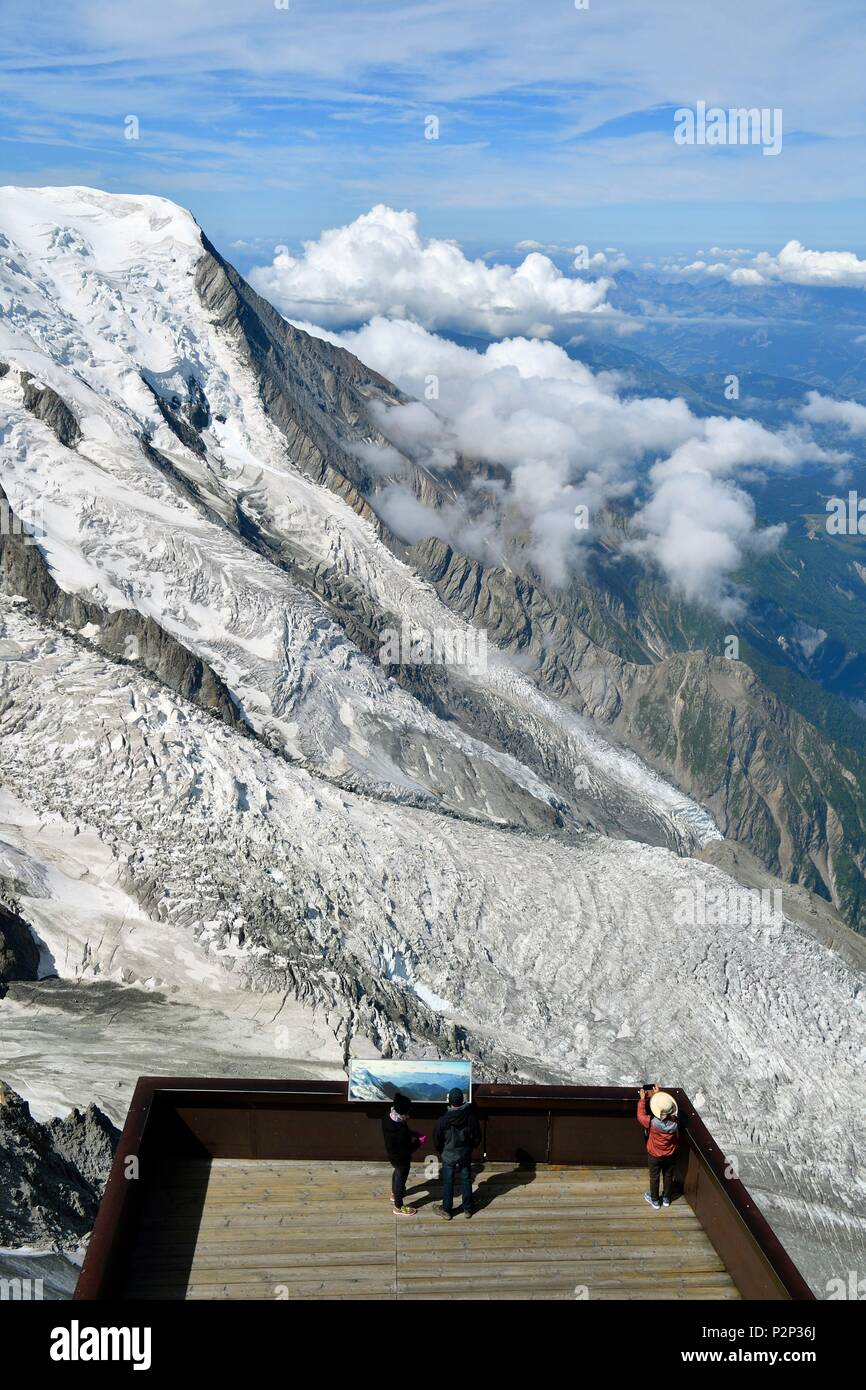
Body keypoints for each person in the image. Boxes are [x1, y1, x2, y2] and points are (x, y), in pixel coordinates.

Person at [433, 1087, 482, 1219]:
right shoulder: (470, 1117)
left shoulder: (443, 1120)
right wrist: (471, 1147)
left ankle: (447, 1210)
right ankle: (468, 1209)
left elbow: (437, 1139)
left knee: (448, 1181)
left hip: (448, 1155)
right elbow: (477, 1136)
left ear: (449, 1101)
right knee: (466, 1179)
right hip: (464, 1153)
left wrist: (441, 1150)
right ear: (462, 1100)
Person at [382, 1093, 425, 1216]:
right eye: (407, 1113)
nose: (409, 1116)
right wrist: (419, 1142)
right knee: (401, 1179)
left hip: (392, 1155)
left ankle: (394, 1194)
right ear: (402, 1113)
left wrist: (410, 1133)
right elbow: (407, 1149)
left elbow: (402, 1130)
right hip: (402, 1159)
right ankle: (398, 1206)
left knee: (396, 1172)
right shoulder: (400, 1132)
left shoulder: (386, 1118)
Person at [637, 1084, 680, 1209]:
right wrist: (658, 1096)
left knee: (654, 1177)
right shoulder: (675, 1122)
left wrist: (642, 1100)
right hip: (670, 1154)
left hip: (655, 1155)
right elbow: (665, 1112)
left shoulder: (652, 1122)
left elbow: (640, 1116)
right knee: (668, 1175)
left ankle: (655, 1200)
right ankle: (666, 1198)